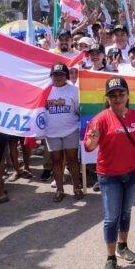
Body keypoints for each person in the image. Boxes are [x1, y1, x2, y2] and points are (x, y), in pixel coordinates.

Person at [84, 77, 135, 269]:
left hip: (131, 174)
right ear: (108, 98)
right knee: (111, 217)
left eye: (121, 94)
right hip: (109, 176)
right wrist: (92, 139)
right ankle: (111, 257)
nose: (117, 98)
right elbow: (89, 146)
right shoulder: (100, 119)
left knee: (126, 212)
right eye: (113, 95)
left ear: (128, 95)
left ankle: (123, 246)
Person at [46, 63, 83, 202]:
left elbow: (79, 110)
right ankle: (60, 190)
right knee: (56, 161)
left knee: (73, 160)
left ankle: (76, 187)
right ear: (51, 76)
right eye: (55, 74)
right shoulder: (45, 91)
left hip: (70, 130)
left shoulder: (73, 90)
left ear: (66, 76)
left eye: (61, 74)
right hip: (51, 132)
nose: (58, 77)